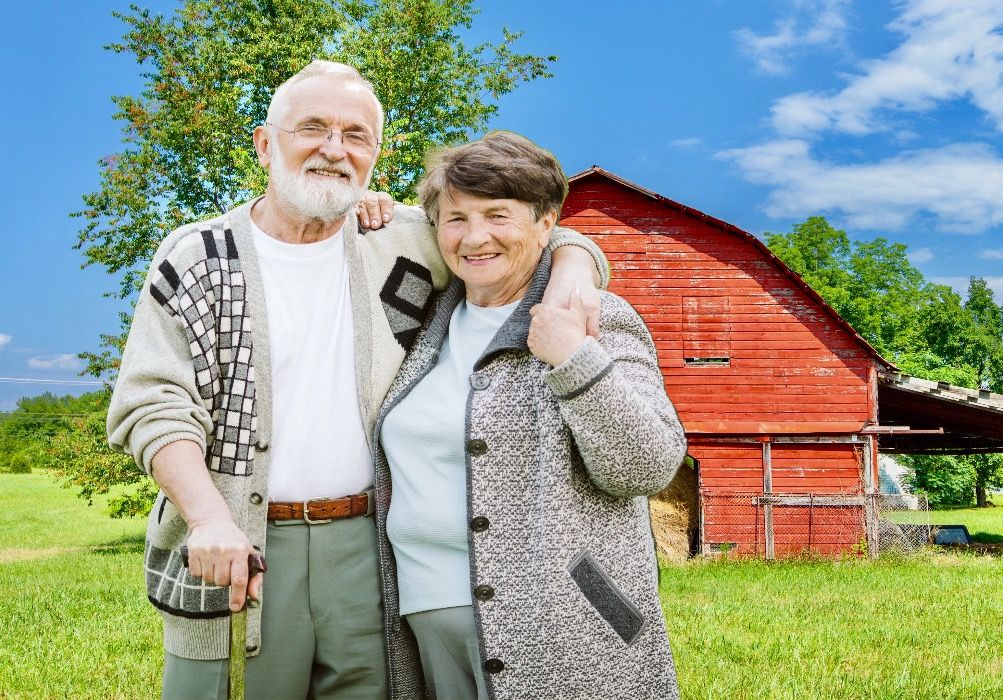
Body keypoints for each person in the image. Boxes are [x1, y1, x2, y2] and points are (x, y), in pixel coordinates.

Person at [106, 61, 609, 699]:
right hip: (238, 543)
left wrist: (574, 269)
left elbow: (530, 235)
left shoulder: (404, 240)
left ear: (375, 154)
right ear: (265, 144)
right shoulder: (197, 256)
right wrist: (208, 519)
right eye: (312, 128)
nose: (333, 148)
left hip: (369, 546)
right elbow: (153, 403)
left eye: (355, 135)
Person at [372, 131, 685, 700]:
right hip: (428, 616)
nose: (475, 236)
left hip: (565, 626)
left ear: (546, 224)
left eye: (499, 215)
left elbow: (649, 466)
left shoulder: (593, 317)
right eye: (456, 218)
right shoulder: (425, 319)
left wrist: (572, 359)